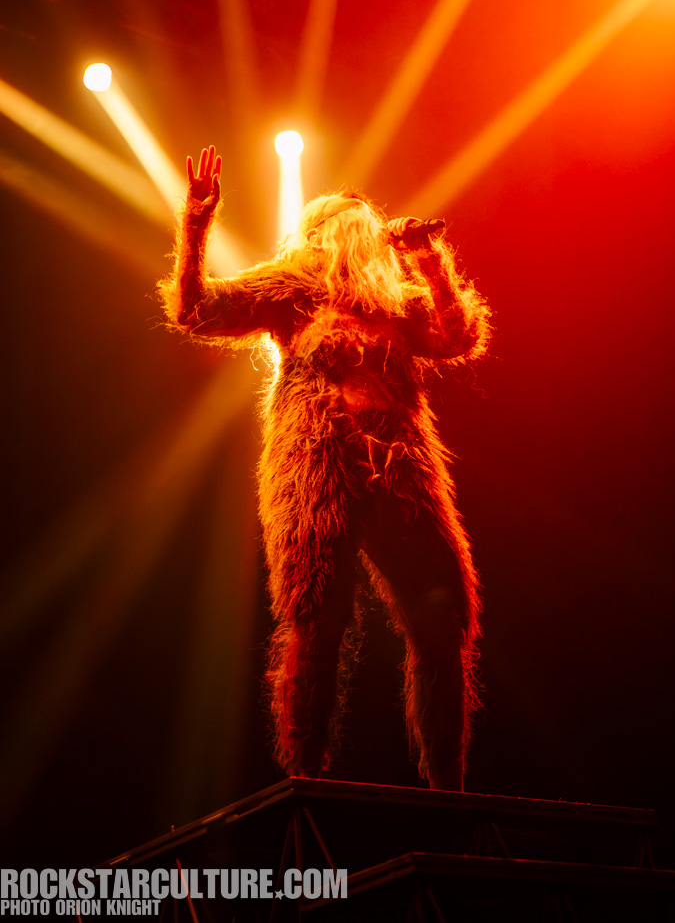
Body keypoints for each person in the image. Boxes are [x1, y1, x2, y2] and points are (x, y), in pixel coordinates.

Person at [160, 145, 490, 791]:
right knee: (318, 619)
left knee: (442, 619)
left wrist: (428, 262)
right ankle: (306, 777)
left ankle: (446, 785)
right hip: (315, 469)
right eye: (348, 229)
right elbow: (197, 310)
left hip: (401, 472)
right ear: (318, 236)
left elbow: (457, 337)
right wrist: (197, 224)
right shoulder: (295, 285)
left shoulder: (396, 301)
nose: (360, 238)